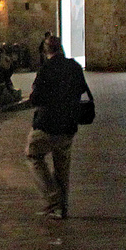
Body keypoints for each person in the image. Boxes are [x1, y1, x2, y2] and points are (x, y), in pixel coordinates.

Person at [25, 35, 89, 219]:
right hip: (69, 123)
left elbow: (36, 98)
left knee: (33, 155)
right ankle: (61, 207)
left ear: (46, 52)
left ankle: (53, 199)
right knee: (62, 166)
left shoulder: (46, 69)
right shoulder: (74, 66)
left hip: (47, 123)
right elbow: (82, 89)